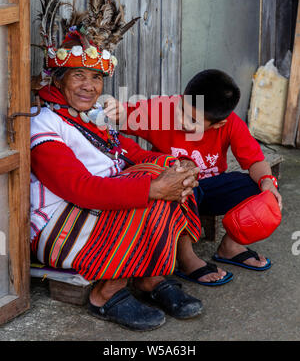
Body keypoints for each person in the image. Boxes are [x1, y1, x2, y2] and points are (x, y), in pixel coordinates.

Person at [30, 0, 203, 331]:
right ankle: (106, 293)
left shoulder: (89, 116)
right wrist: (153, 186)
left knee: (166, 170)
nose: (89, 86)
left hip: (97, 216)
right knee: (150, 187)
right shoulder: (44, 124)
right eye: (78, 75)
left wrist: (178, 166)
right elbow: (81, 188)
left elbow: (127, 152)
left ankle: (150, 277)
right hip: (59, 230)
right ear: (59, 79)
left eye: (96, 77)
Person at [105, 69, 283, 286]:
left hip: (208, 191)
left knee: (257, 187)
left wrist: (268, 183)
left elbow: (255, 161)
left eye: (192, 120)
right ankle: (186, 258)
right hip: (172, 197)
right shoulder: (162, 111)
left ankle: (231, 246)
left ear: (218, 124)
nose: (181, 119)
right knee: (184, 186)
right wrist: (114, 109)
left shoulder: (231, 124)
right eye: (181, 108)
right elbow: (124, 115)